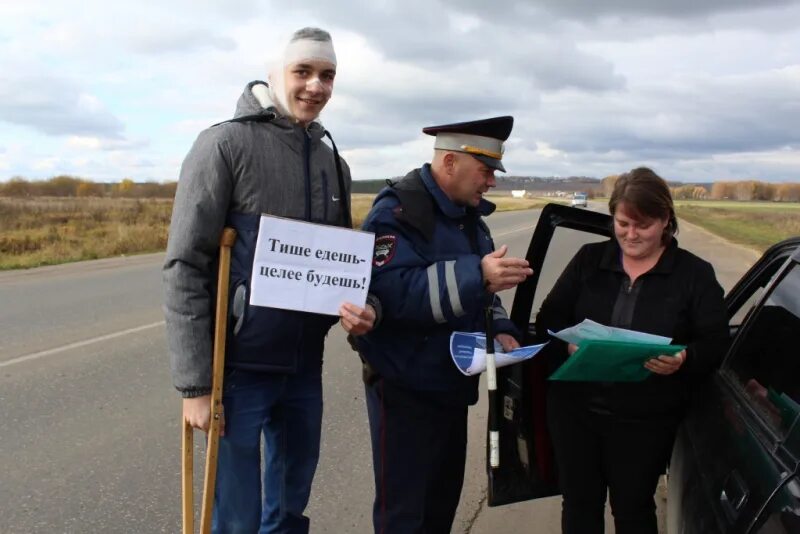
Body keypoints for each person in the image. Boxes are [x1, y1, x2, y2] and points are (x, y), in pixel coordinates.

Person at [163, 27, 374, 534]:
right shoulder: (225, 144)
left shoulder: (334, 164)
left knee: (288, 509)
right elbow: (185, 265)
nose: (316, 87)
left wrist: (357, 308)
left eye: (327, 76)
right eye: (303, 72)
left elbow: (337, 264)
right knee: (235, 517)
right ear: (278, 75)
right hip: (236, 370)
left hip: (304, 365)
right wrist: (195, 386)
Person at [353, 116, 534, 533]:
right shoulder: (398, 212)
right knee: (404, 516)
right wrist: (478, 275)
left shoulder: (471, 219)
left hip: (451, 387)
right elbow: (390, 292)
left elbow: (485, 294)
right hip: (405, 389)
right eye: (485, 170)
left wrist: (502, 328)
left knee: (439, 508)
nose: (490, 182)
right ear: (450, 162)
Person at [536, 167, 729, 534]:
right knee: (579, 503)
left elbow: (716, 341)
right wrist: (570, 343)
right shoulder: (589, 260)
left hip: (645, 420)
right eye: (622, 223)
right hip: (576, 413)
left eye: (642, 225)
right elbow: (550, 316)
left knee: (633, 508)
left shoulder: (694, 274)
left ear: (665, 221)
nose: (630, 234)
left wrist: (685, 358)